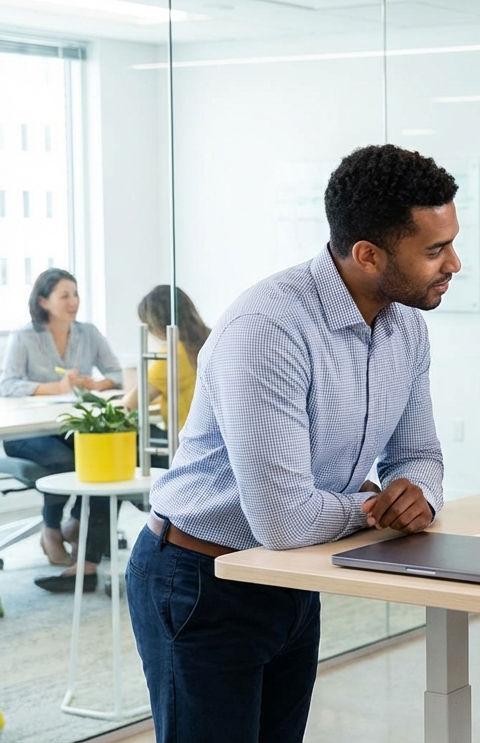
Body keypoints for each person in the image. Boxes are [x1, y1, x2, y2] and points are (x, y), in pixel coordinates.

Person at [126, 144, 456, 743]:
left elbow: (419, 455)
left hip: (293, 577)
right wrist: (372, 507)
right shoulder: (270, 329)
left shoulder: (406, 327)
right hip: (201, 579)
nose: (454, 262)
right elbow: (281, 518)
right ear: (368, 255)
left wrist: (419, 494)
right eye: (435, 250)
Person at [1, 268, 123, 593]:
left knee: (97, 457)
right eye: (64, 295)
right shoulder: (24, 336)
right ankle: (52, 530)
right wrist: (54, 387)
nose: (73, 302)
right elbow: (8, 384)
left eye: (76, 294)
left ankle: (78, 525)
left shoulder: (88, 332)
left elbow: (116, 372)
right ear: (43, 301)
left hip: (66, 425)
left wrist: (99, 382)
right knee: (64, 461)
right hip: (26, 434)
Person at [121, 285, 210, 436]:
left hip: (184, 445)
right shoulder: (213, 339)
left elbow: (129, 405)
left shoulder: (172, 355)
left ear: (157, 326)